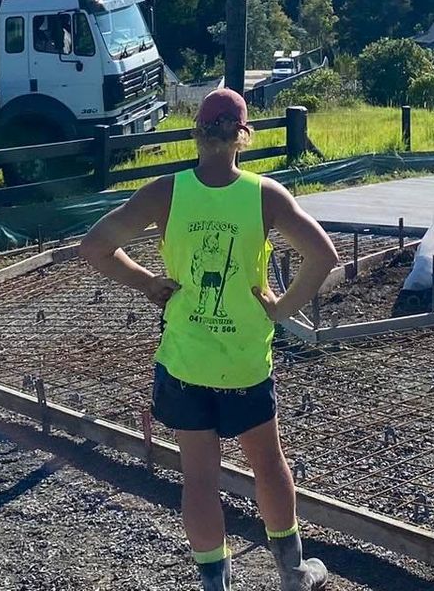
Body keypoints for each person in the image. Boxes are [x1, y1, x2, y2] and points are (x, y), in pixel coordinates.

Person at [81, 89, 339, 591]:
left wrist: (146, 282)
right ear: (244, 135)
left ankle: (215, 585)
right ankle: (292, 573)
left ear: (197, 132)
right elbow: (323, 257)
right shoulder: (264, 195)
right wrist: (282, 310)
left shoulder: (165, 192)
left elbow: (94, 247)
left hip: (183, 362)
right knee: (267, 463)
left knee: (198, 478)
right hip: (244, 362)